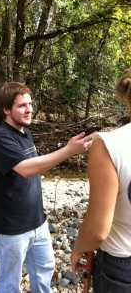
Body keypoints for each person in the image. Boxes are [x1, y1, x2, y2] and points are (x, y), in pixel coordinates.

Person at [0, 82, 94, 293]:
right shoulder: (0, 138)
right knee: (10, 282)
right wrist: (68, 150)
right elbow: (25, 169)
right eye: (22, 105)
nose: (29, 109)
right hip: (9, 228)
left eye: (30, 104)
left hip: (36, 221)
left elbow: (31, 173)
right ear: (6, 110)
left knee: (44, 268)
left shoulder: (25, 132)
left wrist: (37, 204)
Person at [70, 69, 131, 293]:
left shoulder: (109, 144)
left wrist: (78, 248)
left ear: (126, 96)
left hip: (123, 266)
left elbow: (97, 231)